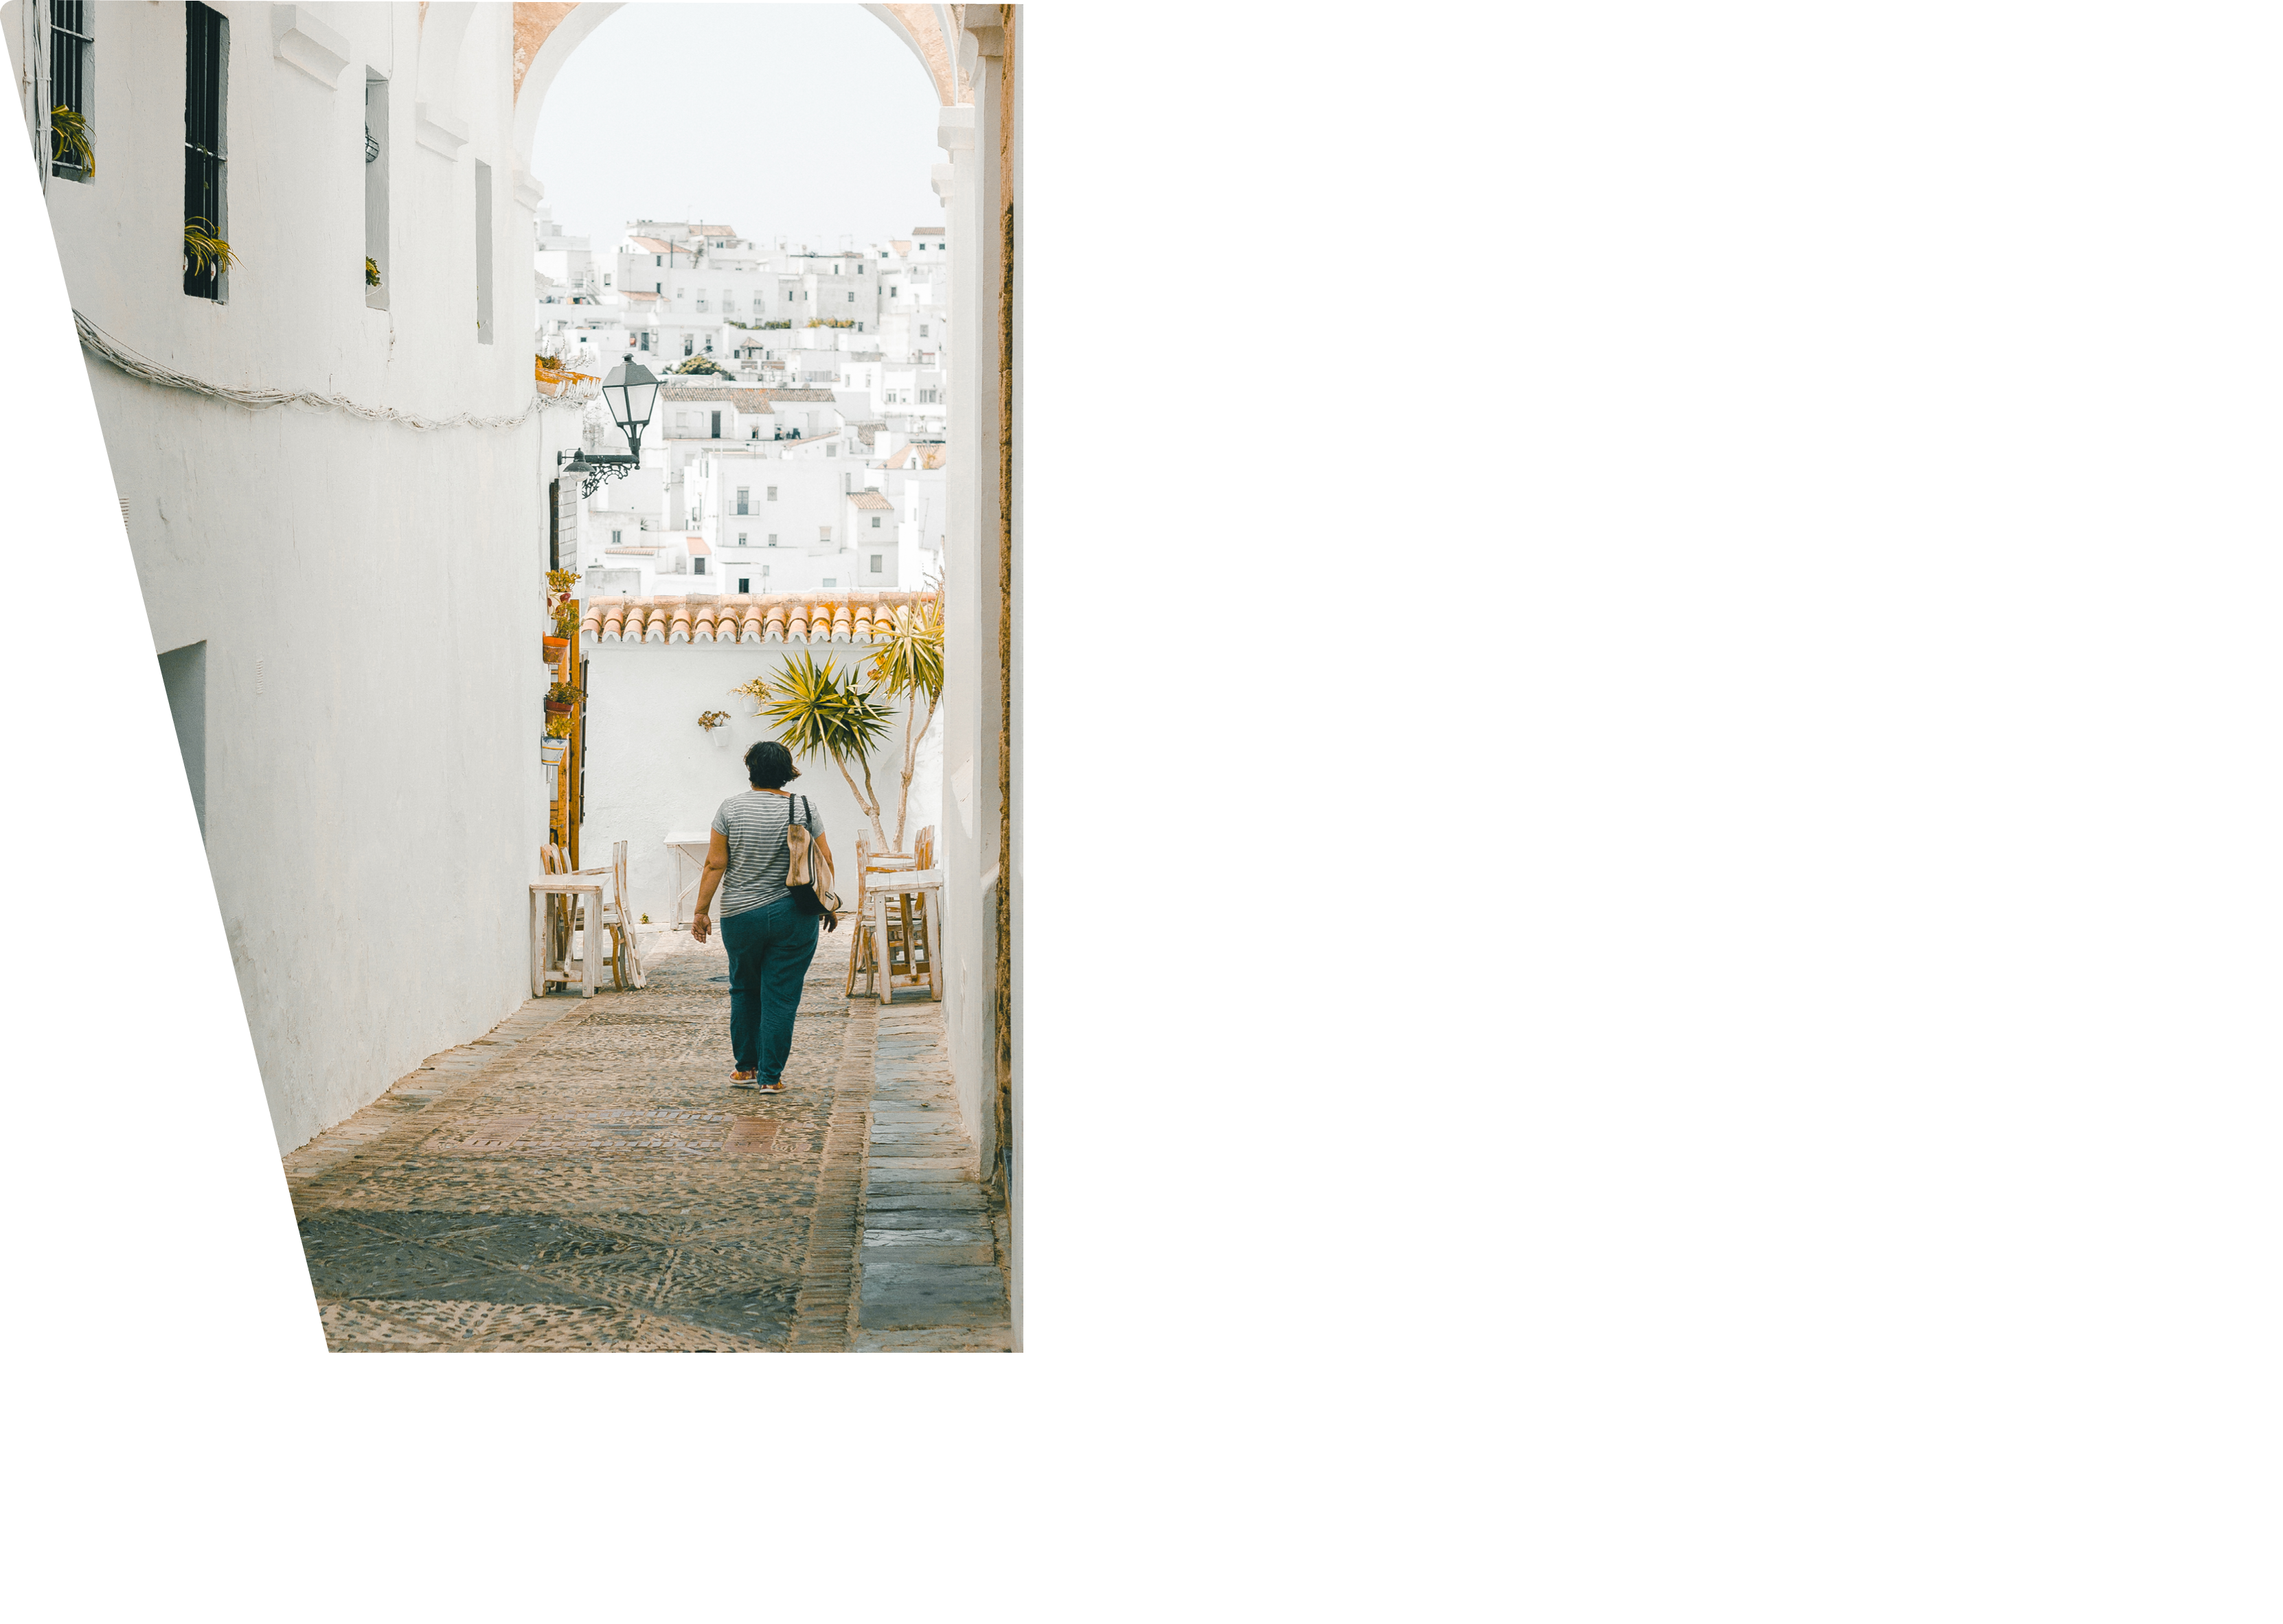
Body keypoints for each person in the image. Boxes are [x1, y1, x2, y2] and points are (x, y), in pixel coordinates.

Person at [690, 740, 838, 1091]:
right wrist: (828, 905)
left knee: (743, 989)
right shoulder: (804, 807)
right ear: (788, 772)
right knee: (782, 994)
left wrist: (701, 911)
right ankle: (771, 1079)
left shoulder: (731, 808)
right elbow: (825, 860)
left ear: (751, 770)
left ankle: (745, 1069)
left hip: (741, 916)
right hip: (794, 914)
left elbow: (715, 863)